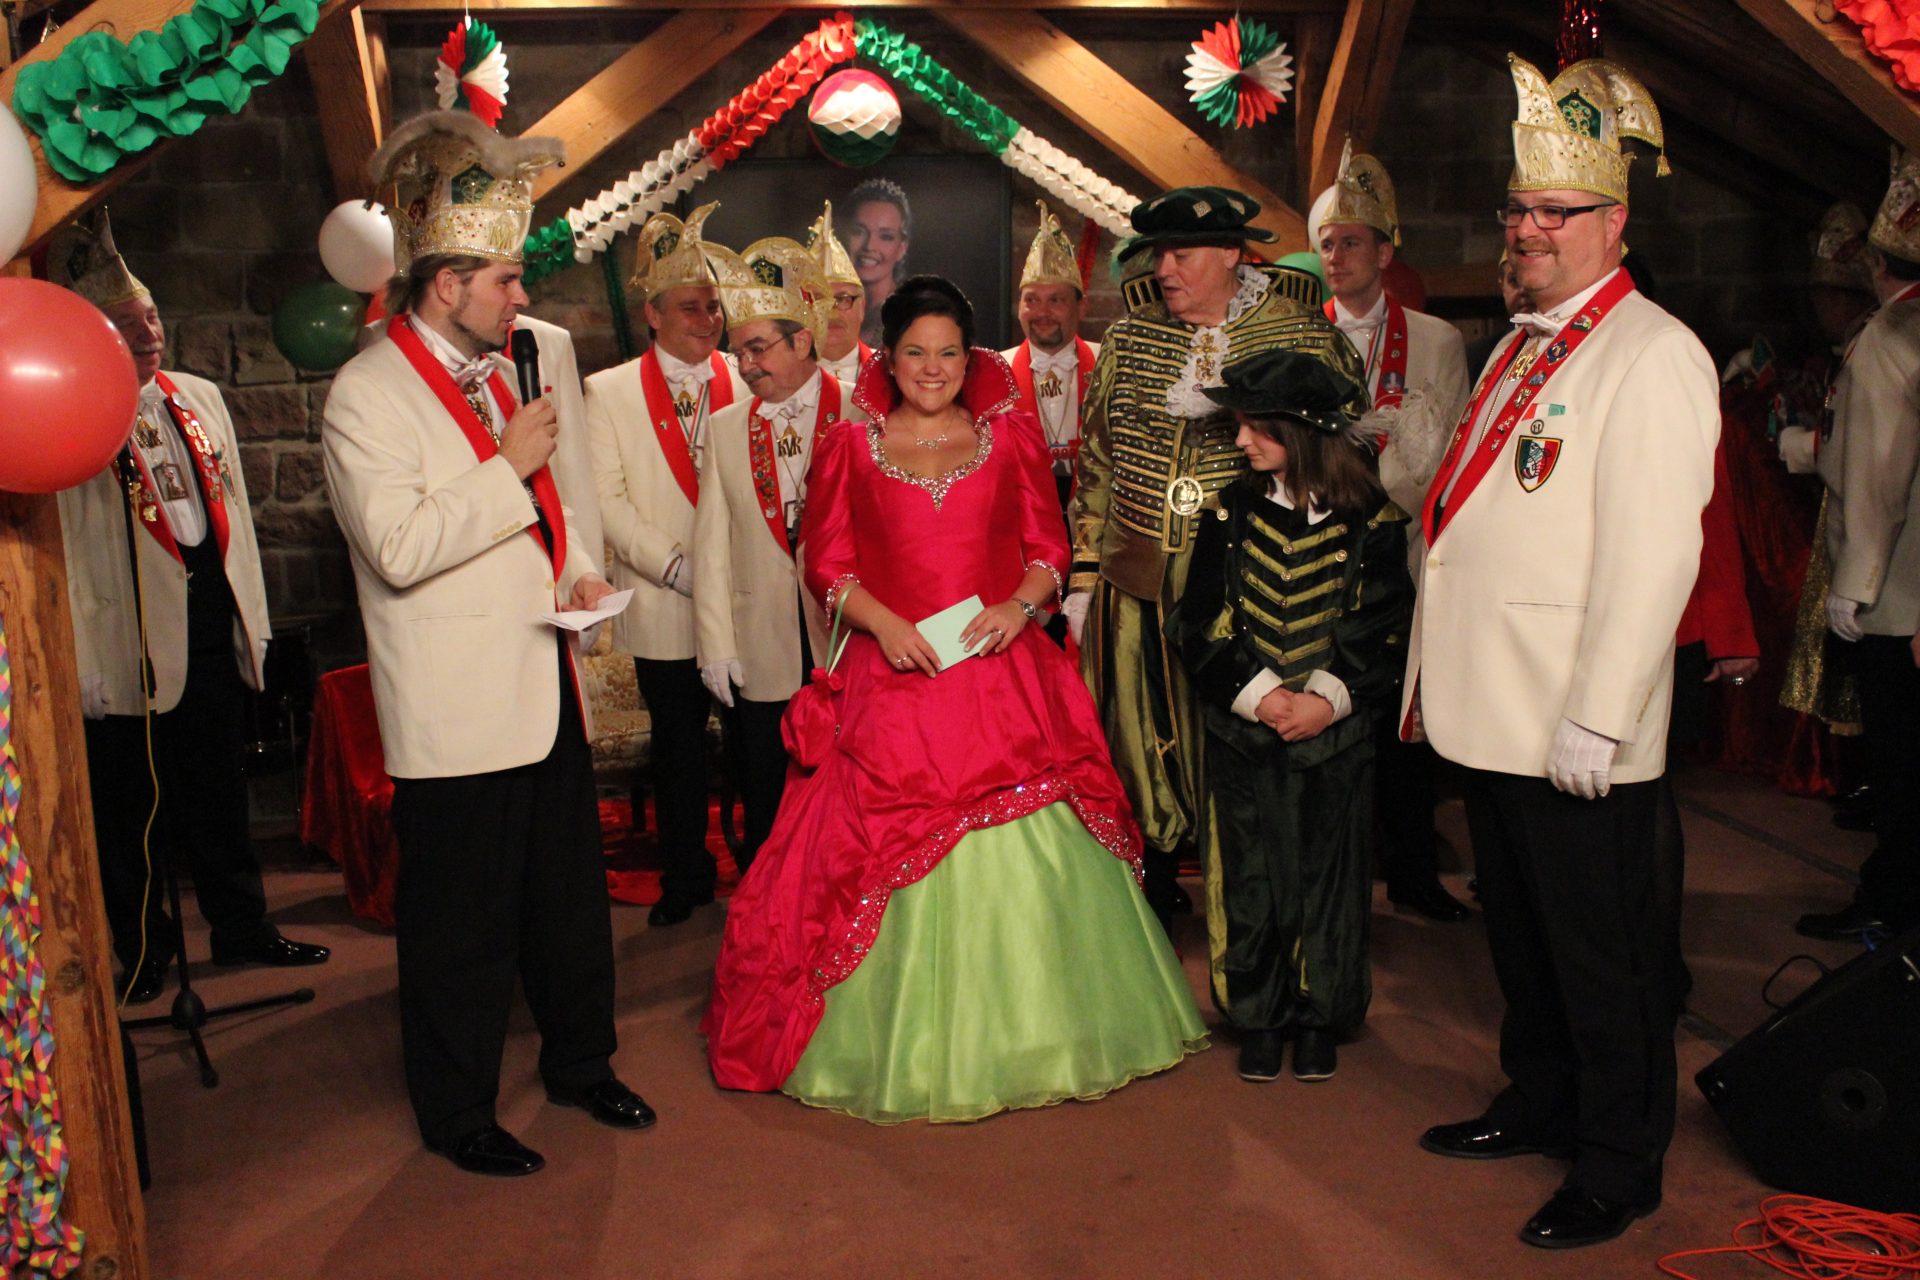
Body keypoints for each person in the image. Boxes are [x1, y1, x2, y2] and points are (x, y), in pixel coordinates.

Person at [702, 276, 1205, 1121]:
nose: (931, 369)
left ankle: (1037, 1034)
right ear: (887, 360)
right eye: (914, 353)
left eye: (946, 354)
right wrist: (884, 624)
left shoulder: (1008, 439)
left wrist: (1020, 607)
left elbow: (1048, 548)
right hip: (892, 676)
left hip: (998, 670)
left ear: (968, 360)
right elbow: (826, 564)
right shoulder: (849, 446)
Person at [1407, 56, 1717, 1249]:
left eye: (1555, 211)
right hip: (1495, 706)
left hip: (1571, 720)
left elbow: (1654, 555)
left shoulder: (1653, 351)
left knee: (1604, 955)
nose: (1528, 229)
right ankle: (1540, 1097)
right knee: (1526, 939)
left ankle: (1620, 1158)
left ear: (1615, 221)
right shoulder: (1520, 344)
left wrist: (1602, 710)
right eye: (1519, 208)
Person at [324, 111, 652, 1177]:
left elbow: (543, 514)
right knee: (459, 928)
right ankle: (457, 1109)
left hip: (543, 682)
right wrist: (506, 465)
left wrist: (577, 572)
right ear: (446, 282)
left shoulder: (501, 376)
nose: (521, 298)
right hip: (456, 709)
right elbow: (400, 548)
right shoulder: (365, 394)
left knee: (568, 906)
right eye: (505, 279)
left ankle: (582, 1062)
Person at [1063, 185, 1363, 946]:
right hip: (1135, 586)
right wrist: (1085, 577)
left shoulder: (1301, 335)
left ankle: (1260, 920)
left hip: (1252, 594)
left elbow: (1341, 466)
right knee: (1135, 749)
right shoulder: (1128, 339)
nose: (1164, 269)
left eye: (1182, 253)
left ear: (1233, 254)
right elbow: (1097, 462)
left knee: (1240, 744)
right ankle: (1149, 900)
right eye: (1158, 253)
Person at [52, 211, 329, 1006]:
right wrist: (84, 664)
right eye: (127, 325)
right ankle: (144, 949)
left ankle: (241, 925)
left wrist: (253, 627)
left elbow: (235, 513)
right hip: (129, 640)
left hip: (209, 621)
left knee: (218, 792)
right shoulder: (76, 408)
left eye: (151, 318)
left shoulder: (198, 396)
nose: (149, 334)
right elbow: (71, 545)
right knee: (131, 811)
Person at [1166, 350, 1414, 1084]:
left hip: (1333, 740)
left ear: (1302, 431)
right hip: (1245, 733)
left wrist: (1326, 698)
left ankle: (1318, 1014)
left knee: (1327, 876)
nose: (1241, 440)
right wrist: (1260, 694)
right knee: (1248, 875)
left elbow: (1384, 621)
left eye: (1257, 427)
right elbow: (1196, 618)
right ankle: (1259, 1014)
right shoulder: (1227, 512)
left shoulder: (1372, 519)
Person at [1314, 139, 1473, 924]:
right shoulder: (1294, 331)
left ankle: (1412, 870)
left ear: (1384, 252)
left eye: (1351, 242)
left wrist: (1381, 503)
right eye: (1327, 244)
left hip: (1399, 549)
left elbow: (1446, 451)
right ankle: (1331, 880)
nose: (1336, 257)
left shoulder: (1437, 340)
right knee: (1323, 714)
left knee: (1403, 719)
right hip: (1312, 552)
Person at [585, 204, 747, 927]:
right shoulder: (608, 390)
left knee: (754, 748)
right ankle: (685, 878)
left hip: (743, 600)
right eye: (691, 307)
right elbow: (605, 499)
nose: (708, 320)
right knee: (678, 753)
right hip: (665, 599)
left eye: (714, 306)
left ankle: (763, 873)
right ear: (652, 314)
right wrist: (675, 567)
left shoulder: (748, 376)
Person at [693, 239, 861, 871]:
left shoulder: (862, 411)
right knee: (766, 793)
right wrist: (715, 645)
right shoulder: (725, 427)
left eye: (758, 348)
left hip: (847, 639)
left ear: (803, 341)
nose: (745, 365)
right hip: (760, 645)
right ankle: (767, 906)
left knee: (848, 791)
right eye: (738, 351)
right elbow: (711, 544)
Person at [1796, 148, 1920, 942]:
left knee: (1900, 768)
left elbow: (1876, 473)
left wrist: (1855, 583)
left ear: (1874, 262)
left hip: (1899, 598)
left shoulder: (1888, 337)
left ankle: (1895, 913)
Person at [1001, 200, 1100, 529]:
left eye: (1056, 300)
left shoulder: (1108, 364)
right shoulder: (995, 370)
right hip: (1020, 530)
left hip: (1093, 529)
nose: (1042, 312)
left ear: (1081, 307)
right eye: (1032, 300)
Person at [805, 201, 874, 384]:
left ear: (862, 307)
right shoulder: (780, 380)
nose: (832, 313)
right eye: (820, 300)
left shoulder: (893, 374)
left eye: (843, 299)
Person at [842, 178, 910, 347]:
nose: (869, 246)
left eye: (885, 236)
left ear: (902, 248)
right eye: (859, 232)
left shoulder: (912, 316)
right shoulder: (821, 310)